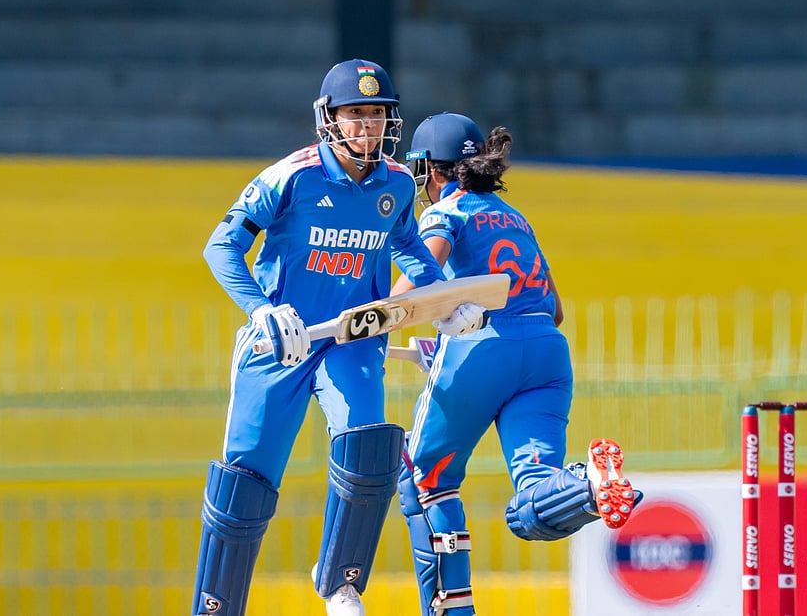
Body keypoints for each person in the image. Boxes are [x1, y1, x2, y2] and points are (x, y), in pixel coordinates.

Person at [192, 62, 489, 616]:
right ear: (329, 118)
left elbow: (408, 246)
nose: (368, 126)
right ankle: (215, 606)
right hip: (282, 342)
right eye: (356, 113)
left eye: (377, 114)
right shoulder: (292, 176)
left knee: (368, 446)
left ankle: (340, 582)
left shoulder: (396, 183)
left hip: (352, 341)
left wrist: (444, 301)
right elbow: (221, 245)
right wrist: (261, 310)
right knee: (245, 483)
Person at [393, 113, 643, 616]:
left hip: (482, 349)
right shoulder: (515, 217)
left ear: (430, 170)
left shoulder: (447, 211)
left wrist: (377, 316)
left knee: (424, 480)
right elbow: (554, 308)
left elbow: (416, 281)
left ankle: (450, 611)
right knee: (531, 505)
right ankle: (587, 487)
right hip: (547, 353)